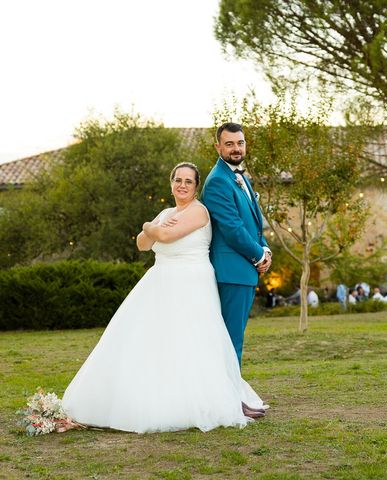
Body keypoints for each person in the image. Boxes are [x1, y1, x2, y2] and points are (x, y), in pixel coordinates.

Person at [62, 163, 267, 434]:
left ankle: (202, 399)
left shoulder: (199, 211)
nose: (182, 185)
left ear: (196, 187)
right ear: (171, 183)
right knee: (151, 341)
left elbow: (166, 236)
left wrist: (149, 225)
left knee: (189, 341)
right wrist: (153, 228)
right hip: (160, 281)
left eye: (188, 181)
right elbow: (141, 244)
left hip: (190, 282)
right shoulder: (167, 212)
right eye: (177, 180)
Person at [201, 122, 272, 368]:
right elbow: (232, 228)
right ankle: (230, 399)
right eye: (229, 144)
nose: (236, 148)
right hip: (231, 272)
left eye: (240, 143)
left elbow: (253, 220)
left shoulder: (238, 176)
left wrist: (265, 249)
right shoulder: (218, 181)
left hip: (243, 271)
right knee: (231, 341)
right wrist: (258, 256)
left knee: (234, 338)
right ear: (218, 146)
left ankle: (231, 395)